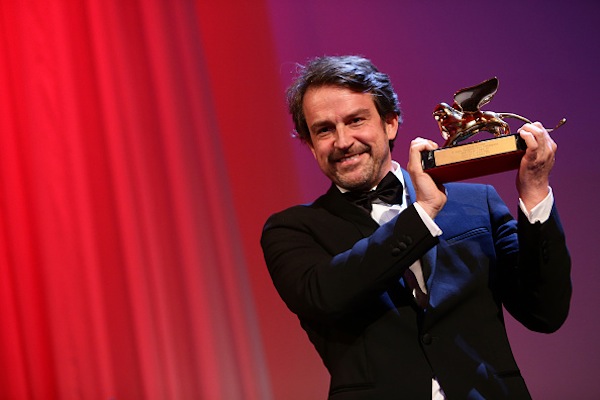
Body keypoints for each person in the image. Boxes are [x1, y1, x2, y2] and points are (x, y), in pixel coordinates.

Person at [260, 55, 571, 399]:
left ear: (390, 123)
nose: (343, 140)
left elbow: (545, 312)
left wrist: (534, 191)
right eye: (324, 130)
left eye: (356, 120)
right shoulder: (291, 230)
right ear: (309, 143)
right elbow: (327, 296)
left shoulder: (476, 204)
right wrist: (422, 213)